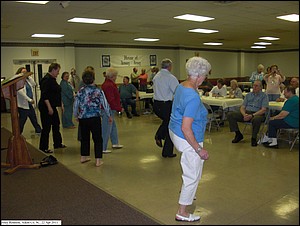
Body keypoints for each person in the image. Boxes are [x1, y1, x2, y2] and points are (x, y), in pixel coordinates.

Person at [169, 56, 210, 222]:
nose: (205, 78)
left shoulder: (181, 86)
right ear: (199, 76)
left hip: (175, 130)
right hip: (187, 136)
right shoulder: (192, 96)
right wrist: (199, 149)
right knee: (192, 175)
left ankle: (188, 193)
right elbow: (187, 128)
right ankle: (182, 212)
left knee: (192, 169)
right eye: (205, 75)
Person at [73, 70, 112, 166]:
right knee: (97, 138)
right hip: (95, 117)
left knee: (84, 138)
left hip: (83, 118)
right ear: (93, 79)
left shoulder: (80, 91)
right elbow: (105, 104)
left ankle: (84, 156)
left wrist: (76, 115)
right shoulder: (98, 91)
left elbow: (75, 105)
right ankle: (98, 160)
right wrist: (109, 115)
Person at [227, 80, 269, 147]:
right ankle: (238, 134)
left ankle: (254, 138)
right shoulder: (248, 95)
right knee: (230, 114)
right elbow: (242, 107)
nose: (254, 87)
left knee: (256, 119)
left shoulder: (264, 96)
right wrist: (244, 114)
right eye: (254, 85)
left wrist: (252, 115)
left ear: (261, 87)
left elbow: (263, 110)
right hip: (246, 113)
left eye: (256, 86)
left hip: (258, 114)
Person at [153, 58, 179, 158]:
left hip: (156, 104)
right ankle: (166, 150)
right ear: (169, 67)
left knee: (168, 123)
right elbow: (177, 92)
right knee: (170, 126)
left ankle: (159, 136)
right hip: (165, 105)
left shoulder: (156, 76)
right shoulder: (171, 78)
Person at [38, 63, 66, 153]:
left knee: (56, 124)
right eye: (57, 71)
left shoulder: (53, 80)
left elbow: (56, 93)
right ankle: (43, 147)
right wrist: (49, 107)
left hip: (53, 106)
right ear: (53, 70)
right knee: (46, 127)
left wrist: (61, 104)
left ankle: (57, 143)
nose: (58, 73)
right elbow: (45, 95)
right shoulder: (46, 80)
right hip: (46, 106)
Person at [101, 67, 124, 153]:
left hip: (110, 109)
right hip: (108, 109)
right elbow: (111, 99)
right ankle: (103, 147)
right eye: (116, 76)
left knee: (113, 126)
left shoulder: (108, 84)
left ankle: (115, 143)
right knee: (106, 128)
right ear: (113, 76)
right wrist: (119, 108)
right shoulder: (109, 85)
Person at [16, 67, 42, 135]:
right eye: (23, 72)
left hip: (29, 104)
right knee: (22, 120)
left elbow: (34, 84)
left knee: (33, 118)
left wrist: (29, 76)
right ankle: (18, 133)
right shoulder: (18, 82)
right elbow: (20, 92)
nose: (25, 73)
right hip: (23, 105)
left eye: (26, 72)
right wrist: (29, 99)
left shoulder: (27, 81)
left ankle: (38, 130)